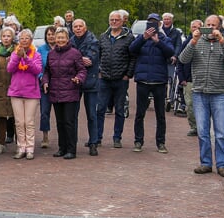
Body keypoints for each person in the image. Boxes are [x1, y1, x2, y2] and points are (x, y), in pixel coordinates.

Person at [180, 16, 224, 176]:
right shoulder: (196, 41)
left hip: (220, 92)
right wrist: (193, 41)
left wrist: (222, 41)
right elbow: (183, 59)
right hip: (199, 92)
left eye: (214, 26)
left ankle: (222, 164)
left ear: (220, 28)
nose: (210, 28)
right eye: (208, 25)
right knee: (203, 131)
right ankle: (205, 163)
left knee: (220, 132)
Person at [129, 15, 174, 154]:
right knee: (139, 114)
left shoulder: (164, 38)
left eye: (154, 23)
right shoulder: (141, 38)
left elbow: (170, 52)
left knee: (160, 114)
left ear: (159, 24)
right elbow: (131, 49)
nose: (152, 25)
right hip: (143, 80)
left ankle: (161, 142)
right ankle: (138, 141)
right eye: (150, 22)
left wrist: (158, 42)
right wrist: (144, 38)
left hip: (159, 81)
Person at [91, 11, 134, 154]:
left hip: (121, 80)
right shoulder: (103, 37)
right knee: (100, 109)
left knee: (120, 110)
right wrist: (98, 71)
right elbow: (98, 55)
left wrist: (128, 74)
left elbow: (133, 57)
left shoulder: (129, 38)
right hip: (104, 79)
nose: (114, 22)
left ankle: (117, 137)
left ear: (122, 22)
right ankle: (97, 137)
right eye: (112, 19)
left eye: (117, 20)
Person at [44, 26, 86, 159]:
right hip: (55, 92)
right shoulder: (51, 54)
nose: (60, 40)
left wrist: (78, 79)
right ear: (55, 39)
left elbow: (82, 70)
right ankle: (62, 148)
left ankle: (71, 149)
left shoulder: (75, 53)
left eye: (63, 37)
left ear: (67, 39)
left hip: (70, 92)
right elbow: (47, 71)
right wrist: (45, 82)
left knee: (69, 122)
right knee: (60, 122)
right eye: (58, 37)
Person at [6, 28, 43, 159]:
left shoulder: (36, 55)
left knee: (29, 122)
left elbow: (37, 70)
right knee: (19, 122)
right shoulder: (14, 54)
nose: (24, 40)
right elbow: (10, 69)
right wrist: (17, 56)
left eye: (27, 38)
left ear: (31, 40)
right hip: (16, 92)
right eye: (22, 38)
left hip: (31, 93)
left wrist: (26, 58)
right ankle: (21, 147)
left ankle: (30, 148)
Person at [68, 18, 101, 150]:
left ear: (85, 28)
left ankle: (93, 142)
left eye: (80, 26)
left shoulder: (94, 41)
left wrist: (75, 59)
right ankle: (72, 142)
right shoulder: (69, 42)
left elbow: (91, 59)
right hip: (75, 82)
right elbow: (72, 60)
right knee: (73, 115)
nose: (78, 29)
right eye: (75, 26)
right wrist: (80, 59)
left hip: (91, 82)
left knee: (92, 114)